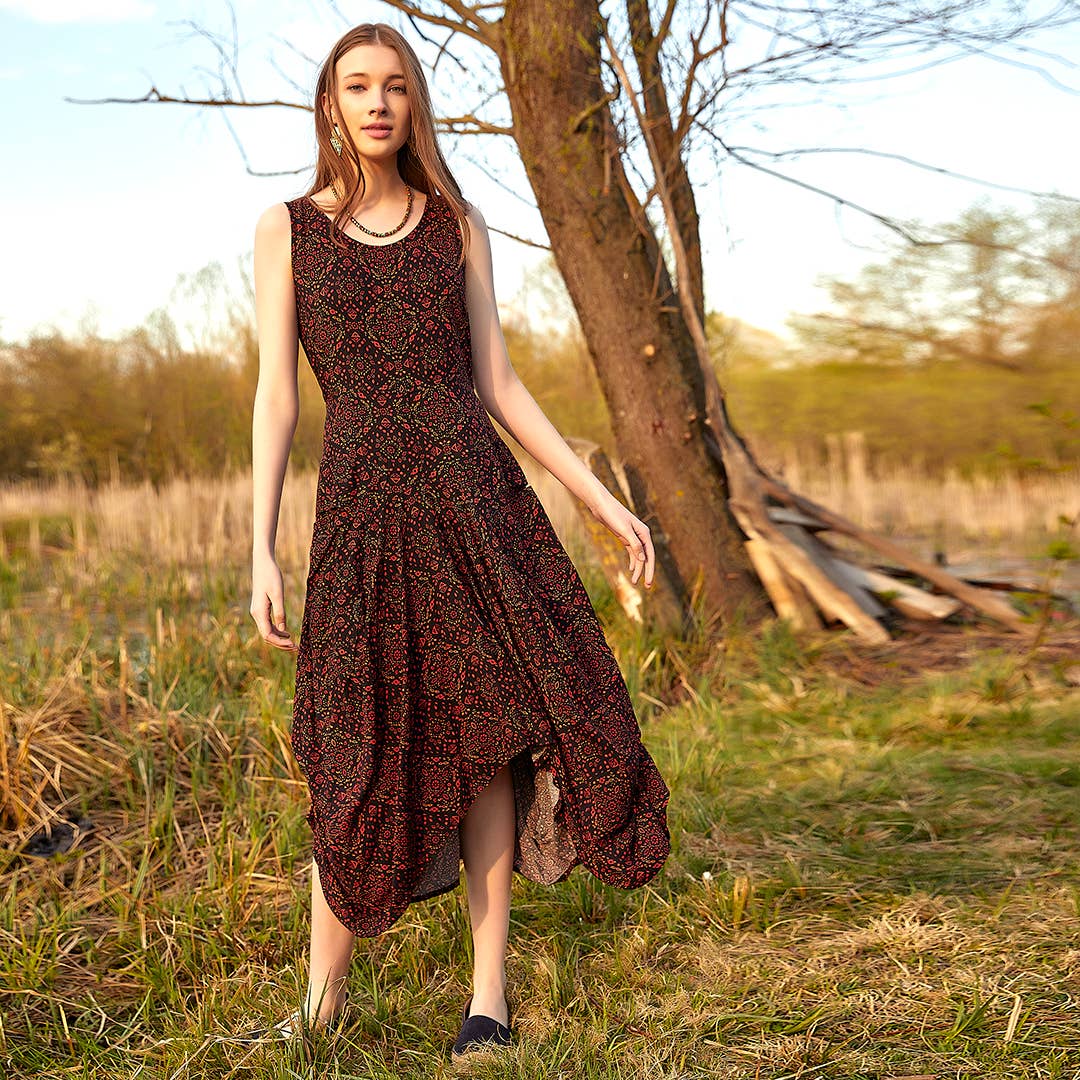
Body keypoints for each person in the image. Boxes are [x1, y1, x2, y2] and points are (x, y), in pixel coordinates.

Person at [244, 21, 671, 1060]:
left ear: (414, 103)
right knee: (352, 754)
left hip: (476, 507)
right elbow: (275, 396)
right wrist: (258, 544)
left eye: (396, 85)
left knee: (487, 749)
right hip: (360, 521)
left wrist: (599, 498)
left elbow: (502, 385)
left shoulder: (457, 225)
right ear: (331, 105)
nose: (378, 102)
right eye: (358, 86)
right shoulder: (287, 230)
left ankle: (488, 1004)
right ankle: (320, 1005)